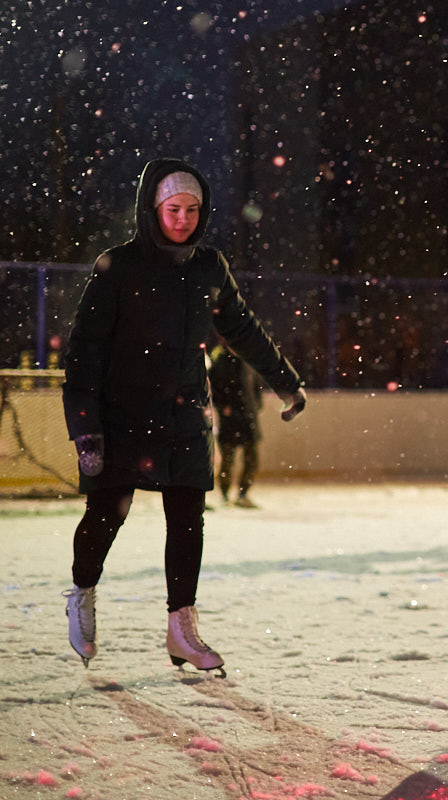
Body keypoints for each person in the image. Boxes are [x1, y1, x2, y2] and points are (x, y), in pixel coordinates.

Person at [61, 157, 307, 674]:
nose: (183, 220)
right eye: (173, 209)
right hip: (122, 415)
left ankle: (181, 626)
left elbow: (242, 330)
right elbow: (84, 350)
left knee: (187, 521)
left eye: (193, 210)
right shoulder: (119, 266)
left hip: (185, 417)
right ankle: (82, 592)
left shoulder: (208, 266)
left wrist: (285, 381)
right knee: (107, 515)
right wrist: (85, 425)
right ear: (153, 207)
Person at [209, 342, 263, 508]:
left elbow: (255, 386)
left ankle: (242, 493)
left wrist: (255, 405)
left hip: (247, 417)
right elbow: (215, 389)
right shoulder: (221, 363)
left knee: (251, 457)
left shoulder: (248, 361)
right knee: (228, 457)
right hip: (231, 418)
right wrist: (225, 408)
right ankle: (225, 493)